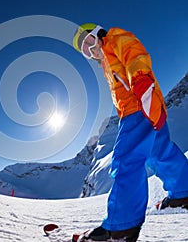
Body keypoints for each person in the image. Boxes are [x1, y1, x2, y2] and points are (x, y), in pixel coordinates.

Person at [72, 23, 188, 241]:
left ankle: (121, 226)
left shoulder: (114, 39)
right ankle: (183, 192)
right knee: (159, 152)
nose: (90, 50)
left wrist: (142, 80)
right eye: (85, 51)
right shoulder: (106, 61)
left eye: (89, 42)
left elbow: (134, 54)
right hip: (148, 105)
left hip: (138, 105)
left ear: (98, 33)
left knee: (127, 160)